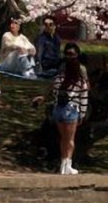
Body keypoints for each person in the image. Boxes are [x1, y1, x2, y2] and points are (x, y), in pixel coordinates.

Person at [33, 43, 89, 175]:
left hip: (58, 109)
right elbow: (84, 95)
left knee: (64, 138)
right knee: (70, 139)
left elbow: (53, 89)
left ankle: (64, 164)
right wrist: (82, 113)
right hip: (70, 109)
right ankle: (67, 163)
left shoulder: (59, 78)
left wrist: (44, 98)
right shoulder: (79, 80)